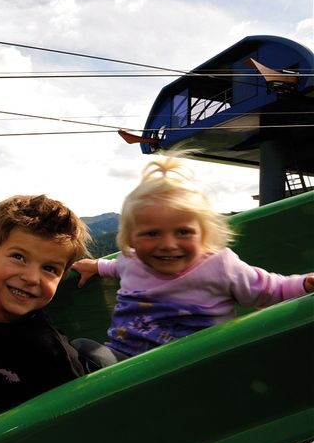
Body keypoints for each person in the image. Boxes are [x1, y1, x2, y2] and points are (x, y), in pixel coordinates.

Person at [71, 158, 314, 372]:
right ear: (130, 238)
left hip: (192, 366)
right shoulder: (131, 260)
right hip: (123, 360)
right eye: (152, 234)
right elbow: (113, 267)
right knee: (79, 348)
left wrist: (304, 283)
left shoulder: (219, 265)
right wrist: (95, 266)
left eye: (183, 232)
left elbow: (268, 289)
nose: (168, 244)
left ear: (204, 234)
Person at [0, 195, 90, 428]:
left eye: (49, 268)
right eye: (19, 257)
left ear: (61, 278)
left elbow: (71, 414)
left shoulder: (49, 354)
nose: (31, 278)